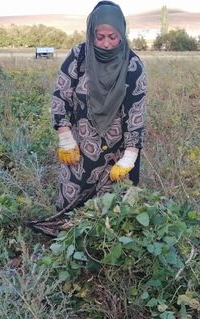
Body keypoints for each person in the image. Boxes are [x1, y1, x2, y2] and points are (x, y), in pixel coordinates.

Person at [52, 0, 147, 212]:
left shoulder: (133, 65)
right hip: (79, 149)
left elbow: (136, 114)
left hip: (116, 153)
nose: (105, 43)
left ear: (122, 33)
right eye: (99, 37)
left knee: (113, 212)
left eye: (112, 37)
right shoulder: (78, 57)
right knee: (71, 213)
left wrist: (129, 156)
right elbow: (61, 96)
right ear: (90, 33)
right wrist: (65, 137)